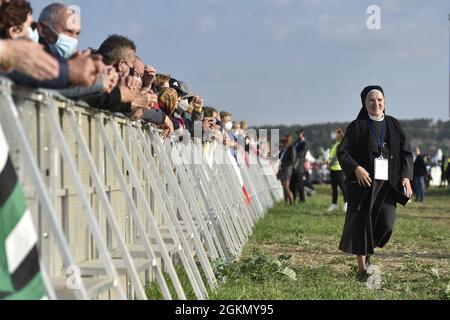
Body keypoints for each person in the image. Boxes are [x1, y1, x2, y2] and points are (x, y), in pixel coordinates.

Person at [337, 85, 413, 282]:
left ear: (384, 102)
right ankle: (362, 270)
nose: (376, 103)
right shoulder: (357, 126)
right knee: (362, 225)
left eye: (379, 99)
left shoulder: (394, 124)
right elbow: (343, 152)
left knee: (386, 224)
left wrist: (406, 176)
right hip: (363, 184)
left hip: (388, 184)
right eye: (371, 100)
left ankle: (369, 249)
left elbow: (406, 153)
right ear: (364, 103)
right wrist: (356, 167)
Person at [327, 128, 348, 212]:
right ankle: (334, 204)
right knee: (334, 188)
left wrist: (328, 163)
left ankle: (347, 203)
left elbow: (335, 157)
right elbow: (331, 156)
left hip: (338, 169)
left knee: (343, 187)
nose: (334, 135)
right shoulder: (335, 144)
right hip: (333, 169)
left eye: (336, 133)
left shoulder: (340, 145)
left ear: (339, 135)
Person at [290, 129, 308, 203]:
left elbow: (301, 153)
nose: (298, 135)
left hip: (299, 165)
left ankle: (302, 198)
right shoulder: (296, 142)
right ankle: (293, 198)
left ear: (302, 134)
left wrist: (295, 155)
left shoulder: (304, 143)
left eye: (299, 133)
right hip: (293, 165)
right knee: (292, 183)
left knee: (300, 183)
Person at [277, 133, 295, 205]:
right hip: (283, 168)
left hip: (287, 169)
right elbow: (279, 156)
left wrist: (284, 163)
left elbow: (292, 160)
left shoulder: (291, 148)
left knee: (286, 186)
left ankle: (291, 202)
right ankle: (286, 202)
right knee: (283, 186)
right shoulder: (285, 148)